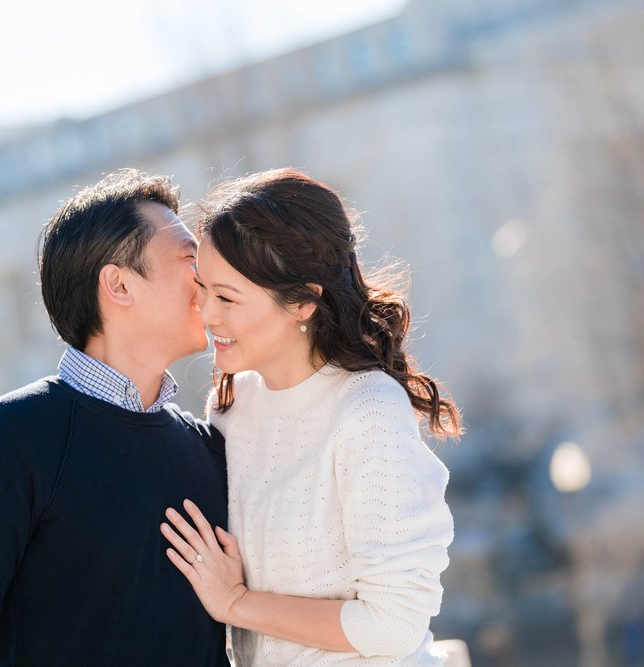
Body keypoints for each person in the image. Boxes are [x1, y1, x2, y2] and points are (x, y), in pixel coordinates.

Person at [0, 170, 230, 666]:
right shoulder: (6, 440)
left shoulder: (210, 448)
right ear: (118, 284)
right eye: (190, 259)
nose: (208, 279)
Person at [159, 168, 462, 665]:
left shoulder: (367, 411)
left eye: (227, 297)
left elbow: (393, 625)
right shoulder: (233, 407)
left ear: (302, 302)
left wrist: (238, 603)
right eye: (203, 289)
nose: (207, 315)